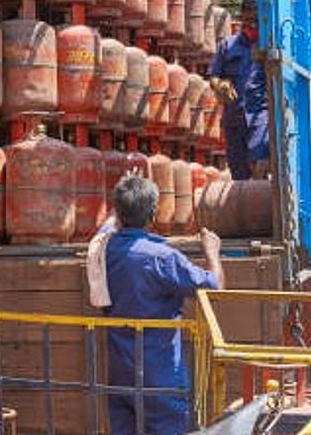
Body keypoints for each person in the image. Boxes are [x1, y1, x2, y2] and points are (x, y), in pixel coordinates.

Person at [87, 175, 225, 435]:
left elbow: (106, 228)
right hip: (159, 375)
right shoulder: (163, 257)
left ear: (118, 211)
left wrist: (123, 200)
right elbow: (214, 288)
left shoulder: (103, 249)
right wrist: (212, 253)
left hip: (120, 375)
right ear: (153, 214)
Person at [208, 0, 269, 180]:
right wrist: (219, 85)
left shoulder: (269, 46)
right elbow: (213, 76)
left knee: (260, 163)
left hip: (260, 114)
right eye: (248, 19)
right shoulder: (228, 45)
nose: (252, 24)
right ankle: (248, 196)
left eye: (256, 20)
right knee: (239, 172)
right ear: (242, 17)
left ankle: (259, 191)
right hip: (234, 117)